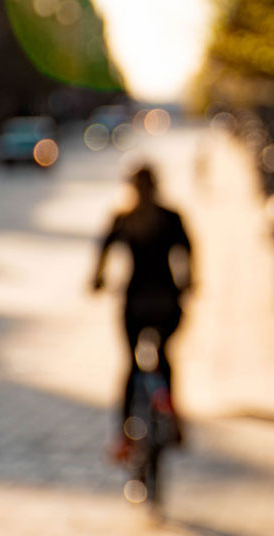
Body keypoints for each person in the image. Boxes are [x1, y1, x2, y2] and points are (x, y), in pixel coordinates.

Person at [92, 165, 192, 460]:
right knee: (164, 357)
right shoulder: (170, 217)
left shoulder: (125, 218)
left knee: (131, 364)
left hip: (135, 300)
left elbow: (103, 252)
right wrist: (188, 281)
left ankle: (123, 436)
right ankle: (171, 414)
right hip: (166, 299)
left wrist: (97, 280)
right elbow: (189, 251)